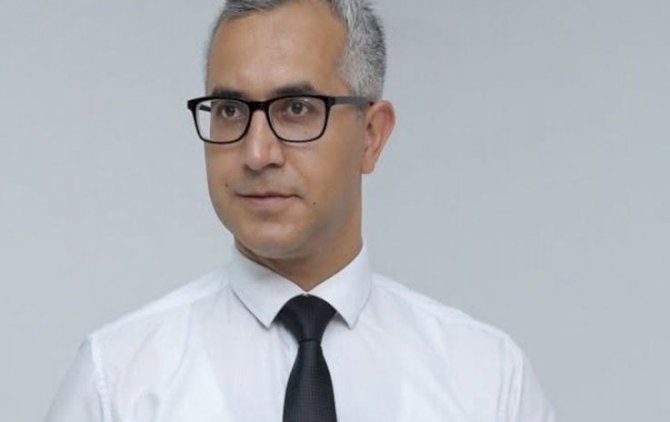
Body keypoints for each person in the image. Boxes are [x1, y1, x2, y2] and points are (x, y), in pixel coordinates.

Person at [45, 0, 556, 421]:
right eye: (230, 111)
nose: (257, 153)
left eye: (296, 109)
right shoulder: (117, 382)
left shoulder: (487, 381)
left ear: (371, 136)